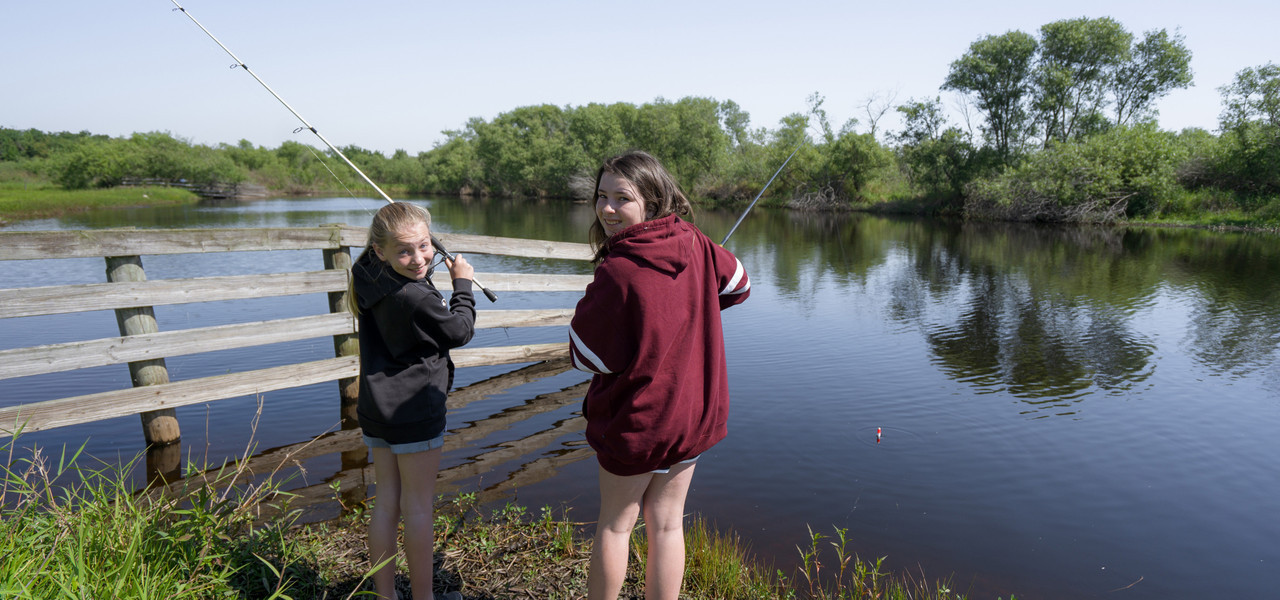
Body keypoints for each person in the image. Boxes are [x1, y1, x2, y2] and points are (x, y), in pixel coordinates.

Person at [568, 150, 752, 600]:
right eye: (602, 196)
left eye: (622, 198)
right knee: (668, 526)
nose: (608, 209)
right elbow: (740, 283)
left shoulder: (619, 271)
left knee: (615, 526)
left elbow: (588, 356)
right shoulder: (694, 240)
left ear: (651, 200)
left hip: (638, 422)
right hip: (691, 416)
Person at [349, 201, 474, 600]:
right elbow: (458, 331)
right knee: (418, 507)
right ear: (381, 250)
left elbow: (403, 259)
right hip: (415, 409)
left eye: (424, 246)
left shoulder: (366, 271)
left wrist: (415, 252)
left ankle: (386, 596)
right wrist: (462, 285)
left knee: (386, 502)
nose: (419, 258)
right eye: (404, 250)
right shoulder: (415, 298)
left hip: (377, 410)